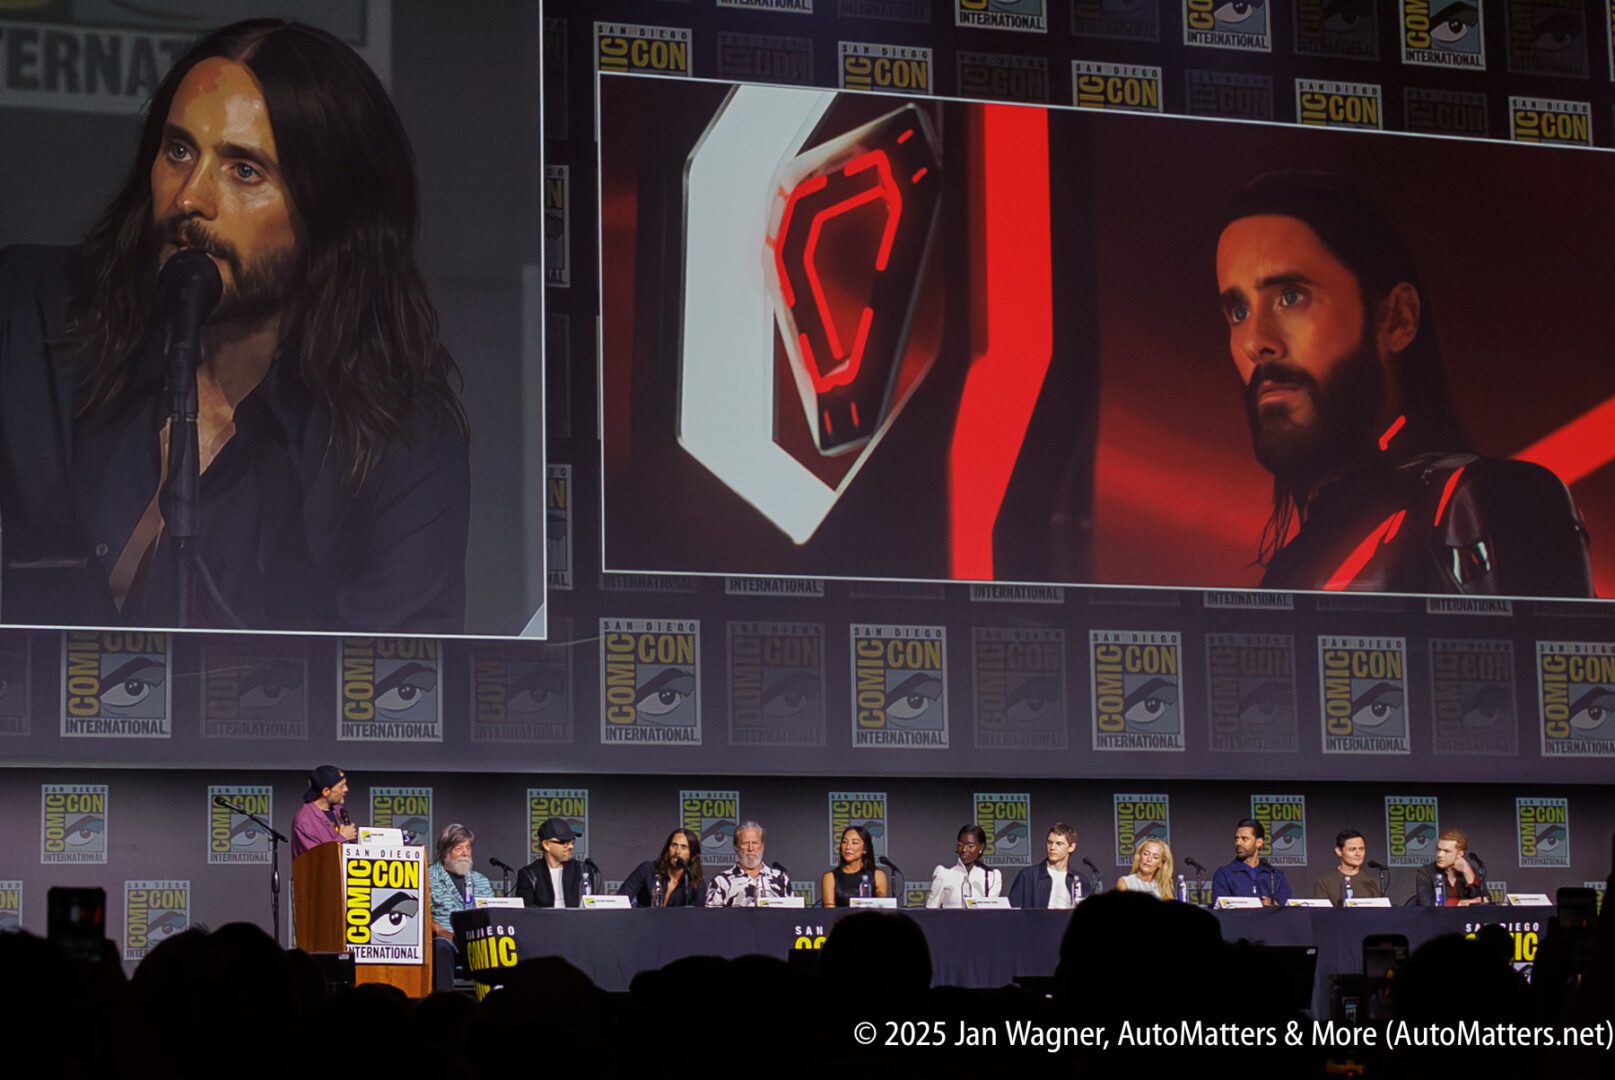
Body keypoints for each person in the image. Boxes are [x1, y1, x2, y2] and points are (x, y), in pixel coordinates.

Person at [0, 19, 470, 633]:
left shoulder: (397, 442)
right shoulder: (24, 313)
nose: (191, 198)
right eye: (179, 151)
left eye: (244, 170)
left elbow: (396, 703)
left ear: (331, 215)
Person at [1214, 171, 1593, 596]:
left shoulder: (1489, 500)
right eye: (1238, 311)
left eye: (1290, 297)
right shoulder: (1296, 559)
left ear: (1398, 317)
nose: (1254, 342)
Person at [428, 824, 494, 937]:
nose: (465, 853)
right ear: (445, 853)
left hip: (477, 941)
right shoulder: (428, 878)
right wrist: (440, 931)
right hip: (443, 942)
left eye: (468, 848)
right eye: (458, 849)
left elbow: (492, 915)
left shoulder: (481, 881)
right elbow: (420, 917)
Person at [705, 821, 790, 907]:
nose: (751, 848)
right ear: (736, 847)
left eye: (755, 843)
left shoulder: (781, 878)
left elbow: (792, 915)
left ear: (762, 846)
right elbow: (712, 918)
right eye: (745, 843)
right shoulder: (721, 881)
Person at [1211, 819, 1292, 905]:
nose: (1238, 843)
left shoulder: (1274, 874)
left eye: (1244, 839)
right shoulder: (1224, 874)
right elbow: (1220, 911)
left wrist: (1272, 904)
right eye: (1236, 839)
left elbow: (1287, 910)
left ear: (1259, 842)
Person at [618, 827, 704, 907]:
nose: (677, 851)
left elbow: (699, 916)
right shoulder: (647, 869)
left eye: (683, 847)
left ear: (691, 854)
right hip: (644, 921)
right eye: (674, 845)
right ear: (667, 849)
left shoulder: (695, 882)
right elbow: (620, 899)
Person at [515, 817, 586, 908]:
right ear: (546, 845)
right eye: (564, 842)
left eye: (571, 841)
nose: (570, 846)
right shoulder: (529, 874)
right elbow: (527, 914)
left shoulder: (583, 870)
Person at [926, 824, 1003, 908]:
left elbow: (992, 912)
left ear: (981, 847)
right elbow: (931, 910)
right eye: (960, 845)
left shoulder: (992, 877)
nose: (964, 850)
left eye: (970, 846)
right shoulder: (944, 874)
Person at [1009, 823, 1084, 909]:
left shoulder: (1080, 881)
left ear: (1071, 847)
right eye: (1050, 842)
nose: (1052, 847)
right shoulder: (1028, 875)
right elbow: (1013, 911)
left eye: (1059, 844)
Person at [290, 764, 355, 857]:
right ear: (326, 791)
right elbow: (315, 860)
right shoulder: (304, 821)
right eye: (342, 786)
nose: (346, 789)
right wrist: (342, 837)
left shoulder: (338, 810)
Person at [1415, 828, 1489, 906]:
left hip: (1466, 917)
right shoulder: (1425, 873)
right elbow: (1426, 904)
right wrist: (1461, 903)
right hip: (1437, 917)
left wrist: (1467, 872)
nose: (1440, 855)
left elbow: (1485, 902)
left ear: (1460, 854)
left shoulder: (1472, 869)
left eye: (1446, 851)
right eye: (1439, 850)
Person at [822, 824, 890, 907]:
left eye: (854, 843)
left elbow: (881, 908)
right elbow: (829, 912)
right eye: (844, 842)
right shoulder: (830, 877)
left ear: (865, 849)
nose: (848, 847)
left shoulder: (878, 875)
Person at [1313, 828, 1384, 906]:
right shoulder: (1325, 882)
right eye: (1352, 849)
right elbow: (1319, 913)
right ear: (1339, 851)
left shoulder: (1373, 883)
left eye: (1361, 849)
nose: (1358, 853)